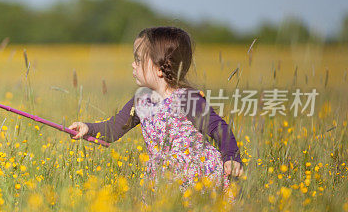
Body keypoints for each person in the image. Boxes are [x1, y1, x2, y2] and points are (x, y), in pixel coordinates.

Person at [68, 26, 244, 192]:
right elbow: (114, 128)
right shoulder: (141, 101)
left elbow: (218, 127)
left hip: (199, 181)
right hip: (164, 181)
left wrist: (231, 157)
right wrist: (88, 128)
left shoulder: (187, 99)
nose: (133, 64)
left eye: (138, 59)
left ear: (160, 68)